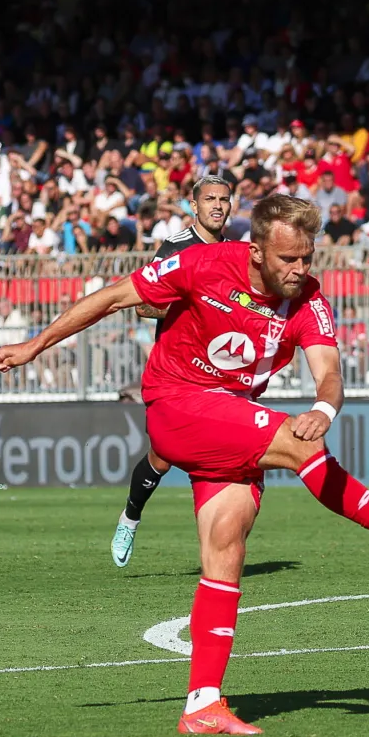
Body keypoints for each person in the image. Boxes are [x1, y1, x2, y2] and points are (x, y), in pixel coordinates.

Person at [0, 195, 369, 734]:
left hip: (229, 423)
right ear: (255, 252)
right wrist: (36, 345)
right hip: (178, 404)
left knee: (226, 547)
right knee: (300, 448)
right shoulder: (201, 263)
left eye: (307, 257)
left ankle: (203, 705)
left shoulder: (307, 298)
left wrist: (324, 408)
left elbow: (328, 371)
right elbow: (114, 297)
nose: (300, 269)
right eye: (288, 260)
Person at [111, 176, 235, 569]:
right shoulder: (176, 248)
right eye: (210, 199)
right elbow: (143, 305)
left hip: (222, 371)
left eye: (224, 199)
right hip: (178, 368)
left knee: (230, 455)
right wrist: (195, 306)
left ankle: (220, 546)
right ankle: (130, 516)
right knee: (163, 457)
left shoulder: (235, 251)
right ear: (194, 206)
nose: (217, 205)